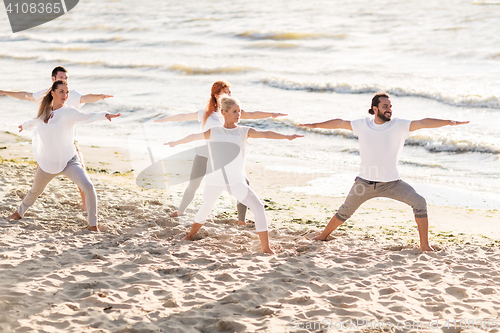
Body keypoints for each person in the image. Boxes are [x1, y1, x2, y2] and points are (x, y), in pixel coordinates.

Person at [299, 92, 469, 252]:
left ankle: (425, 246)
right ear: (375, 109)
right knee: (344, 212)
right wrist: (314, 125)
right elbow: (338, 123)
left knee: (419, 203)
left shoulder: (399, 126)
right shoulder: (362, 125)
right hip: (364, 184)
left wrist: (449, 122)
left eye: (390, 106)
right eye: (385, 106)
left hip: (392, 184)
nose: (389, 109)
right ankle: (322, 236)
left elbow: (423, 122)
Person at [164, 95, 303, 254]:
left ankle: (266, 248)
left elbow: (266, 133)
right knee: (205, 208)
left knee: (258, 207)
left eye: (240, 111)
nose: (239, 114)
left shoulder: (244, 131)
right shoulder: (215, 132)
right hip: (215, 180)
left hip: (236, 181)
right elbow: (193, 137)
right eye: (235, 111)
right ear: (224, 112)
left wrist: (286, 136)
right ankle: (189, 236)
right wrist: (175, 143)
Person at [155, 80, 286, 224]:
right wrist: (164, 120)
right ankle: (180, 210)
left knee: (244, 183)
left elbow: (253, 114)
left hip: (223, 158)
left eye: (230, 92)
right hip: (204, 155)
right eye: (226, 92)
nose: (229, 95)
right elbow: (183, 116)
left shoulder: (231, 111)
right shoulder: (205, 113)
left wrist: (272, 114)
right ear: (216, 94)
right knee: (194, 184)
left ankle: (241, 220)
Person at [7, 80, 121, 232]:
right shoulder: (46, 112)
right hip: (48, 162)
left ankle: (93, 225)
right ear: (53, 93)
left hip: (69, 160)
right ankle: (18, 212)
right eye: (61, 91)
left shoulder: (69, 112)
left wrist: (105, 115)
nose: (65, 95)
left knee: (88, 186)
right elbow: (36, 121)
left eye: (67, 92)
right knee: (35, 190)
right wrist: (25, 125)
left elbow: (86, 116)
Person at [0, 66, 113, 211]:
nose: (64, 80)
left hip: (69, 142)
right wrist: (5, 92)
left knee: (81, 171)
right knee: (40, 172)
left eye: (66, 78)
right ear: (53, 79)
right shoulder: (47, 94)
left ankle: (85, 205)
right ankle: (34, 196)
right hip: (49, 144)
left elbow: (86, 98)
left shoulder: (71, 94)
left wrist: (101, 96)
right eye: (61, 78)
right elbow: (26, 95)